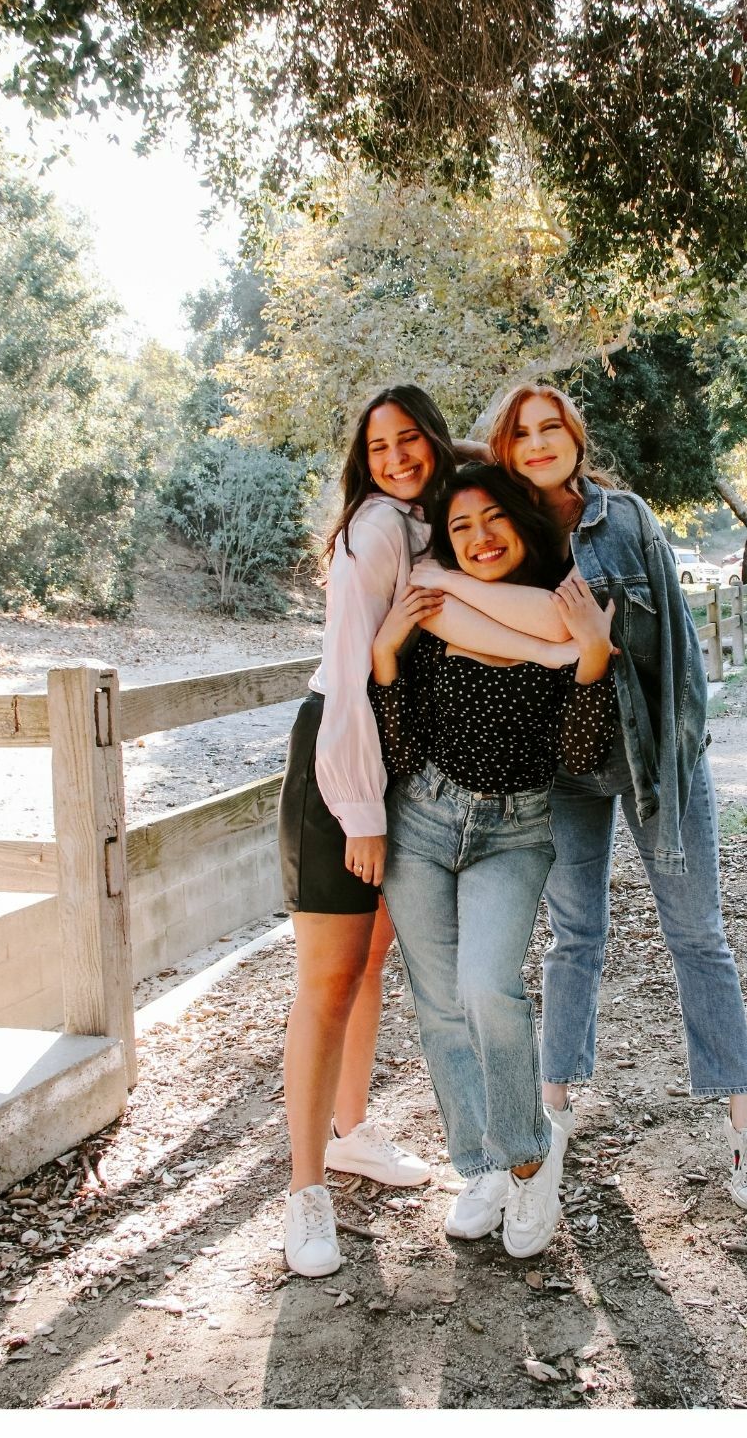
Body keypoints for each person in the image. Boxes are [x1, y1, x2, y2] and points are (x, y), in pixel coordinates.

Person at [412, 384, 747, 1212]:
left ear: (577, 439)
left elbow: (677, 650)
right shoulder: (505, 529)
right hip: (565, 765)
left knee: (698, 933)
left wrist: (683, 753)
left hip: (655, 759)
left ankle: (745, 1124)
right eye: (521, 434)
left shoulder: (627, 520)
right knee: (573, 935)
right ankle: (552, 1108)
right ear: (504, 449)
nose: (539, 444)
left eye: (553, 429)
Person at [277, 387, 579, 1279]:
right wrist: (362, 811)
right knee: (331, 975)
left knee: (381, 966)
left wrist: (562, 650)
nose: (399, 456)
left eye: (410, 438)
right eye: (378, 446)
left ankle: (354, 1131)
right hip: (346, 761)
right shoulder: (376, 532)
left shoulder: (435, 524)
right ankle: (305, 1193)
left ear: (435, 443)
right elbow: (346, 677)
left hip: (407, 767)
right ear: (361, 463)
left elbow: (519, 626)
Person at [370, 463, 616, 1258]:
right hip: (424, 821)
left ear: (520, 523)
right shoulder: (436, 610)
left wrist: (591, 661)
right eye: (461, 527)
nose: (478, 539)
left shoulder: (564, 609)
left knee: (487, 987)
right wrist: (384, 658)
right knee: (439, 1004)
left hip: (517, 829)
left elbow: (578, 751)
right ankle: (479, 1164)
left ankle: (529, 1156)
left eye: (492, 521)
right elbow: (399, 741)